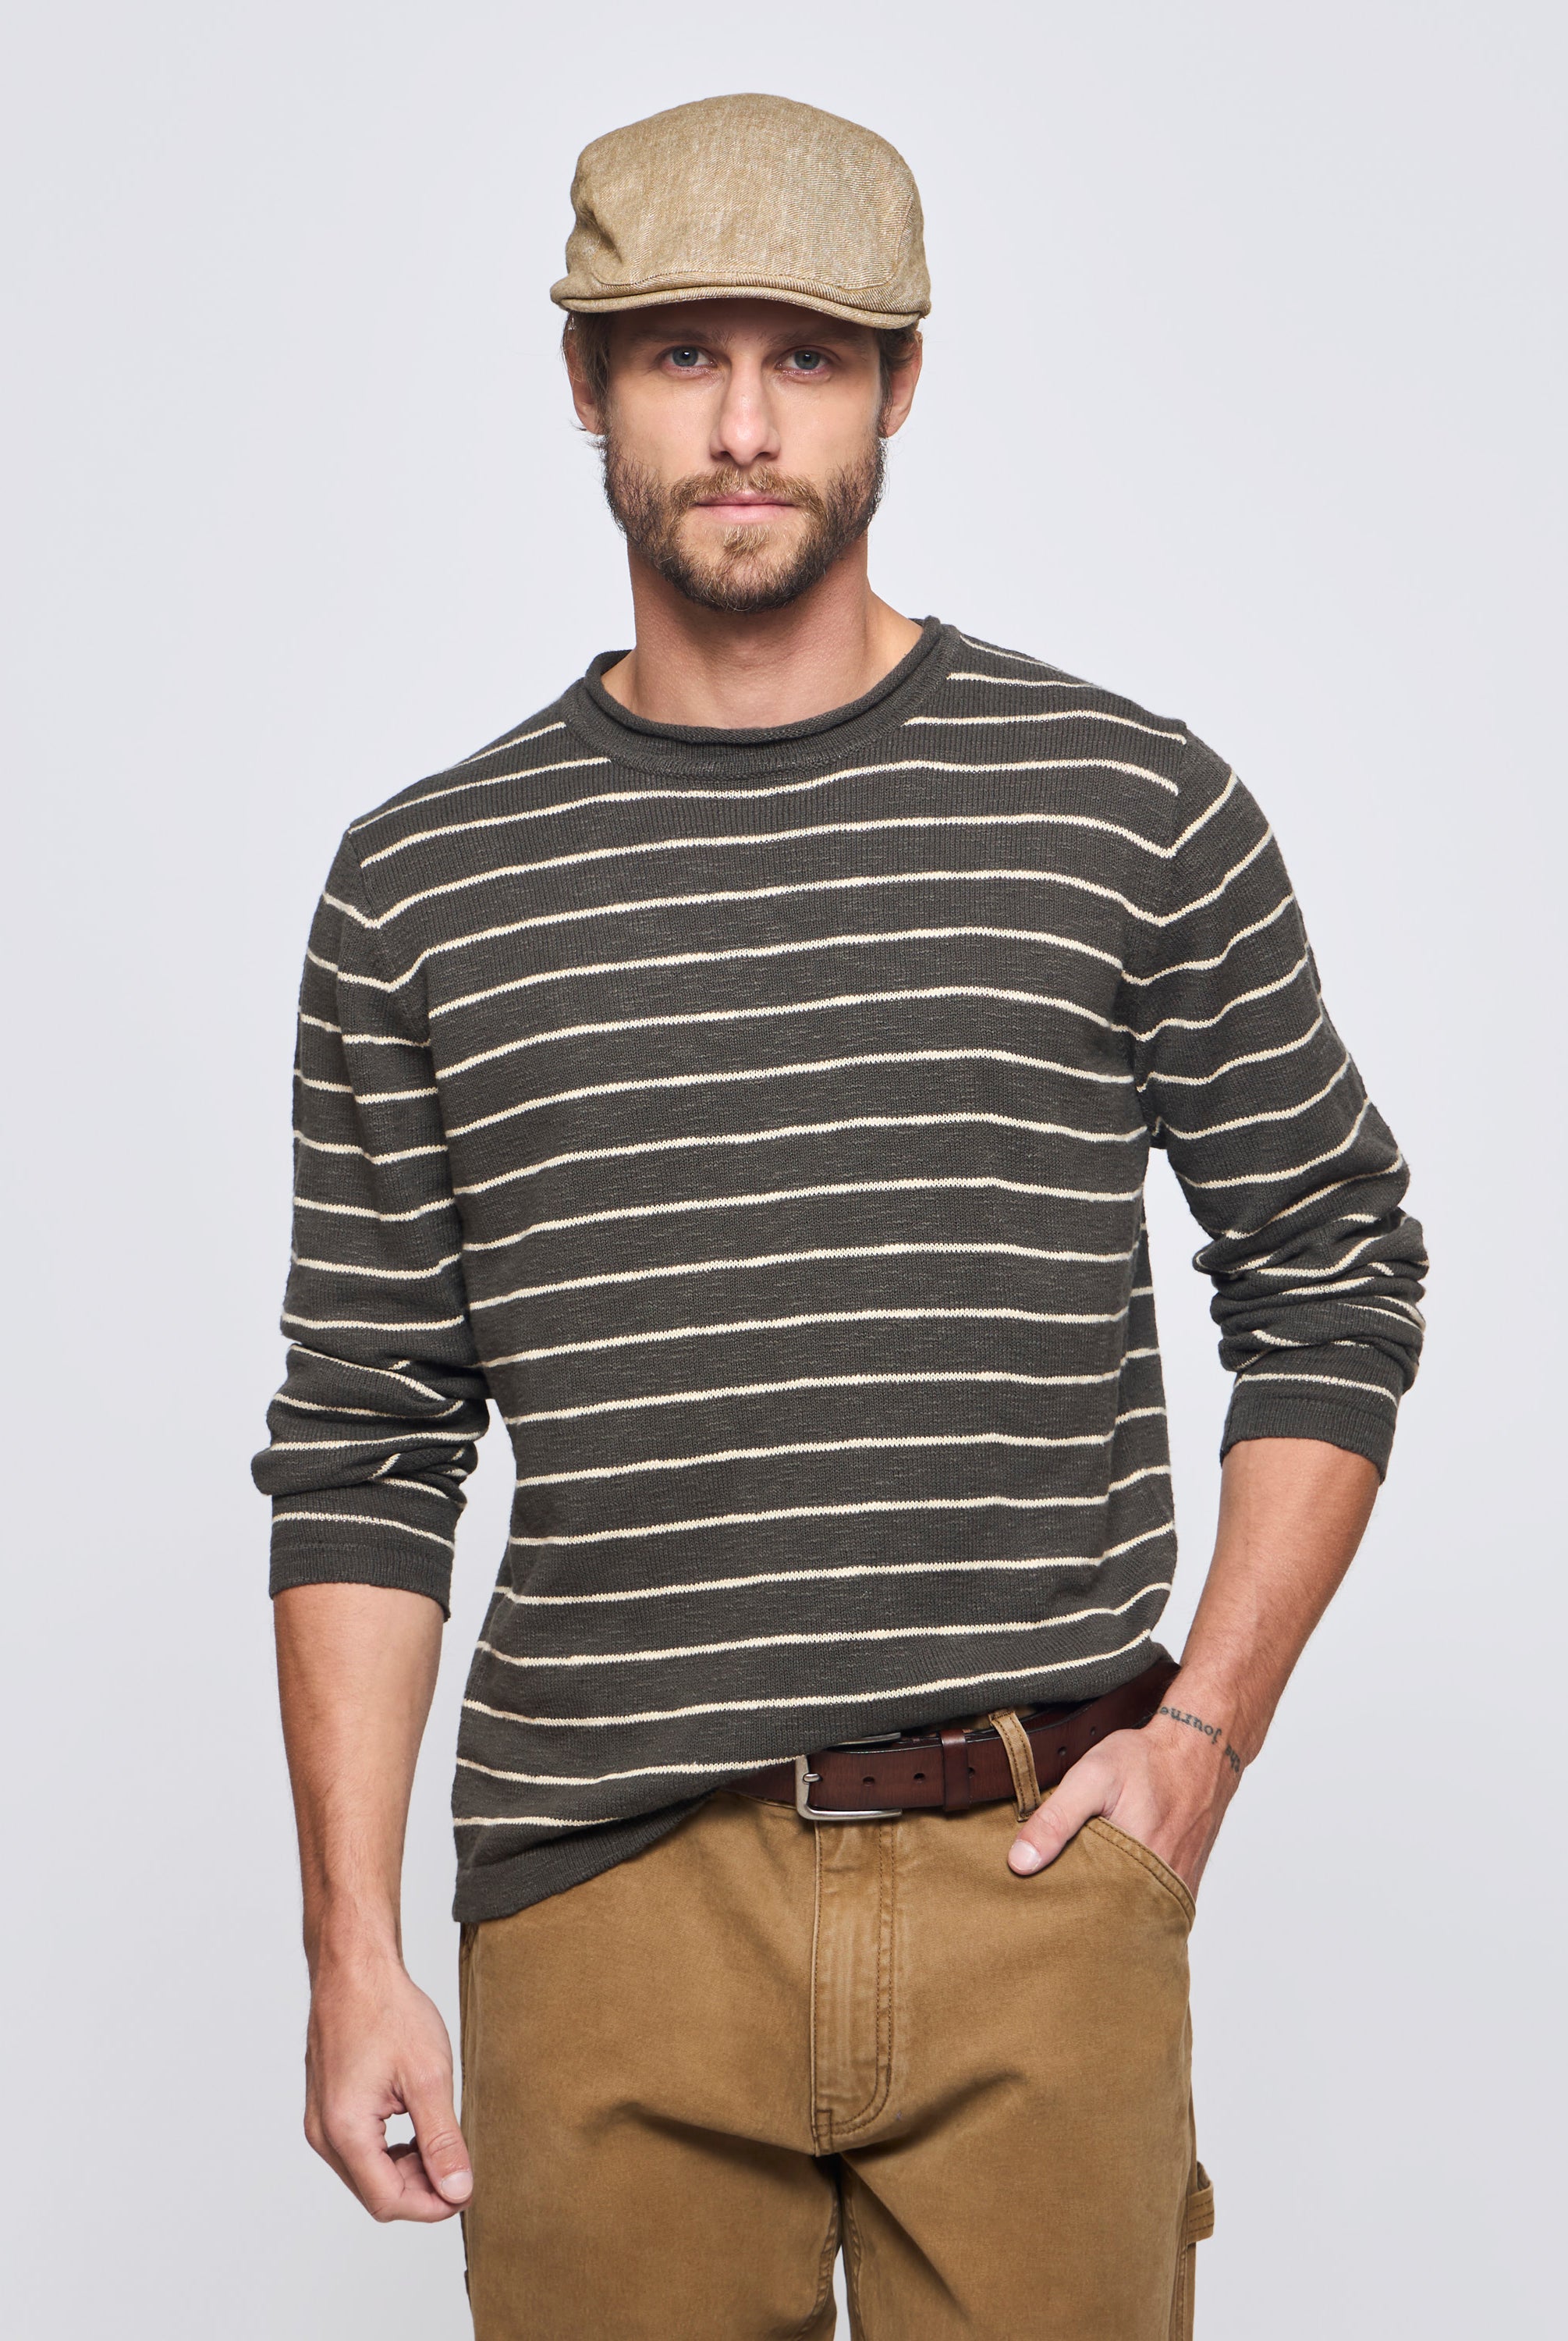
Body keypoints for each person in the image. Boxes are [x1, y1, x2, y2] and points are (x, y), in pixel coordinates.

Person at [256, 92, 1426, 2339]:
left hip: (1031, 1876)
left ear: (900, 384)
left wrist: (1203, 1735)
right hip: (601, 1910)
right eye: (680, 355)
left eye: (805, 357)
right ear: (584, 384)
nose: (742, 426)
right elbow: (367, 1436)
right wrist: (351, 1955)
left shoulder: (1124, 807)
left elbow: (1332, 1267)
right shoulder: (424, 889)